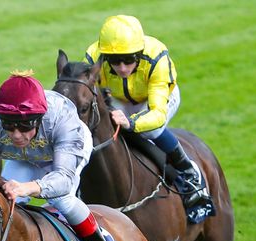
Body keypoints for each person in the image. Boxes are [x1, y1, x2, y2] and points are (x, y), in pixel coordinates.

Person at [0, 71, 125, 241]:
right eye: (8, 125)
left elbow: (63, 179)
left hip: (64, 155)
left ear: (40, 118)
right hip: (23, 158)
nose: (16, 135)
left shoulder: (61, 117)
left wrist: (26, 188)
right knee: (1, 202)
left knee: (62, 199)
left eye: (25, 126)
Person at [84, 15, 213, 220]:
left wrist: (131, 122)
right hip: (119, 98)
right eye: (115, 62)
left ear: (139, 54)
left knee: (149, 130)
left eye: (128, 60)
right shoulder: (93, 57)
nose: (123, 68)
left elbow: (157, 114)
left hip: (157, 98)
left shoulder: (156, 57)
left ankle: (187, 169)